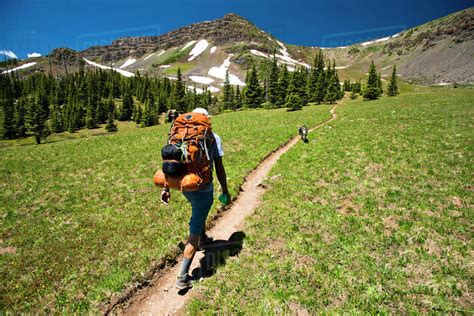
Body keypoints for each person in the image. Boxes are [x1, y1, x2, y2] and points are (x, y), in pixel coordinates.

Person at [160, 107, 231, 289]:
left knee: (197, 212)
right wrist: (225, 189)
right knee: (194, 229)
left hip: (184, 186)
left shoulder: (182, 136)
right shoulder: (213, 138)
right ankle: (183, 277)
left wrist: (166, 188)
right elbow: (219, 167)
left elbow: (170, 163)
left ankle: (203, 238)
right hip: (203, 188)